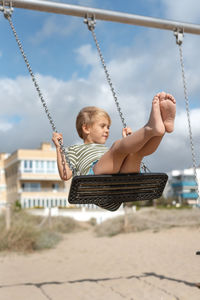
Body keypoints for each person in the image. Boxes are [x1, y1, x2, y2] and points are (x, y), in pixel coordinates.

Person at [52, 91, 176, 181]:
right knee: (117, 147)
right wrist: (59, 148)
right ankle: (150, 128)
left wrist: (128, 142)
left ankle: (162, 128)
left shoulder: (105, 150)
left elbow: (116, 159)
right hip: (94, 176)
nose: (107, 130)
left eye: (108, 127)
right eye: (102, 126)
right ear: (86, 128)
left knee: (136, 152)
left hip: (120, 177)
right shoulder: (74, 150)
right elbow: (65, 175)